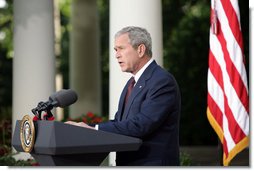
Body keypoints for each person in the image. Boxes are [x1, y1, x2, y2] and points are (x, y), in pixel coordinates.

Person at [66, 26, 181, 166]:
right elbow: (119, 123)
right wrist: (87, 128)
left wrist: (95, 129)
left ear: (140, 50)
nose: (116, 55)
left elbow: (141, 125)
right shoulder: (131, 83)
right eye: (115, 50)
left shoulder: (161, 81)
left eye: (121, 48)